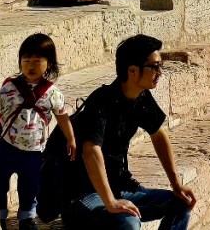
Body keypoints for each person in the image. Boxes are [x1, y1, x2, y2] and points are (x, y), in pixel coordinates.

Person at [63, 33, 196, 230]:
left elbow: (158, 135)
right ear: (133, 71)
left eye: (161, 65)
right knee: (129, 222)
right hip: (83, 197)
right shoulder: (101, 102)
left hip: (120, 189)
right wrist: (110, 202)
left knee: (181, 203)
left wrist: (176, 184)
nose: (160, 72)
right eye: (155, 66)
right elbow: (90, 151)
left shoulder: (142, 97)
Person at [0, 32, 75, 230]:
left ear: (49, 64)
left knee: (30, 186)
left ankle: (26, 216)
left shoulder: (52, 93)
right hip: (7, 147)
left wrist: (71, 138)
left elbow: (62, 116)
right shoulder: (10, 88)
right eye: (26, 61)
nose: (30, 66)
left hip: (34, 152)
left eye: (36, 61)